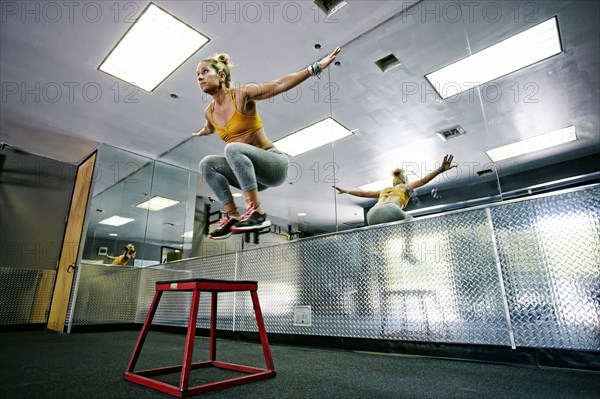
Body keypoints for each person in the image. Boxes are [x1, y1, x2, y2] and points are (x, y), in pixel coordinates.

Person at [193, 47, 341, 239]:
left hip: (273, 164)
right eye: (197, 74)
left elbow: (279, 84)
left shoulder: (241, 95)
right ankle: (233, 217)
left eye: (205, 71)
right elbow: (209, 127)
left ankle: (256, 212)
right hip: (253, 175)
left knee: (232, 148)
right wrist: (202, 132)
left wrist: (315, 68)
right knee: (207, 164)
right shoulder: (209, 112)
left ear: (221, 76)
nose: (200, 77)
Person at [334, 154, 456, 226]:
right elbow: (424, 180)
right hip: (390, 209)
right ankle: (408, 251)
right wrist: (441, 169)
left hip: (371, 214)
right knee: (410, 222)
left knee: (382, 230)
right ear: (405, 180)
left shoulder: (384, 190)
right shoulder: (405, 186)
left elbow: (363, 193)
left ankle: (377, 250)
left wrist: (346, 191)